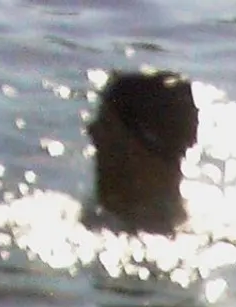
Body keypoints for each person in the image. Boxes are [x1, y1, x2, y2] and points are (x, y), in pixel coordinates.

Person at [85, 70, 199, 234]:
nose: (93, 134)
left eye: (106, 128)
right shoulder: (219, 239)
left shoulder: (58, 228)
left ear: (148, 145)